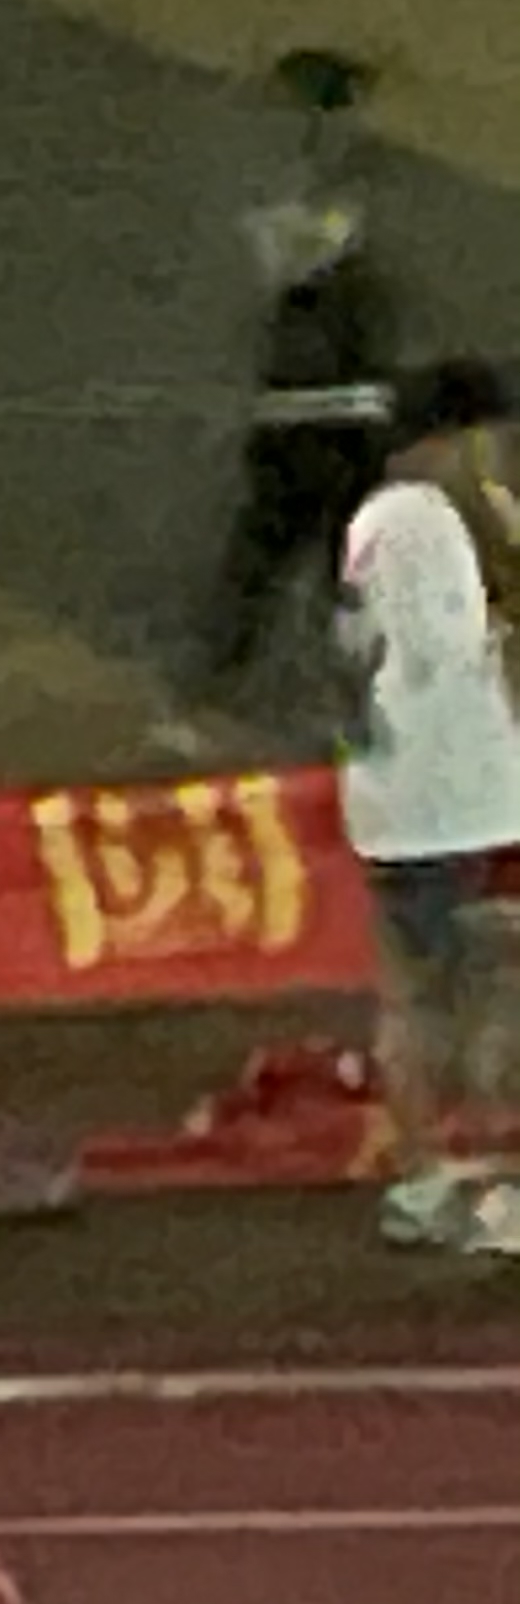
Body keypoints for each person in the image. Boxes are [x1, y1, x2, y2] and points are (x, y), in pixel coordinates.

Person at [333, 359, 520, 1251]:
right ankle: (487, 1180)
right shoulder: (430, 520)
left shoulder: (377, 518)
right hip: (463, 802)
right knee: (490, 983)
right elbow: (448, 647)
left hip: (398, 797)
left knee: (415, 993)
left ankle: (425, 1176)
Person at [196, 53, 404, 715]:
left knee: (265, 569)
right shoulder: (337, 266)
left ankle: (215, 692)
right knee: (341, 578)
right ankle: (369, 704)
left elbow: (310, 217)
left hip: (303, 432)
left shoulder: (296, 249)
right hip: (345, 430)